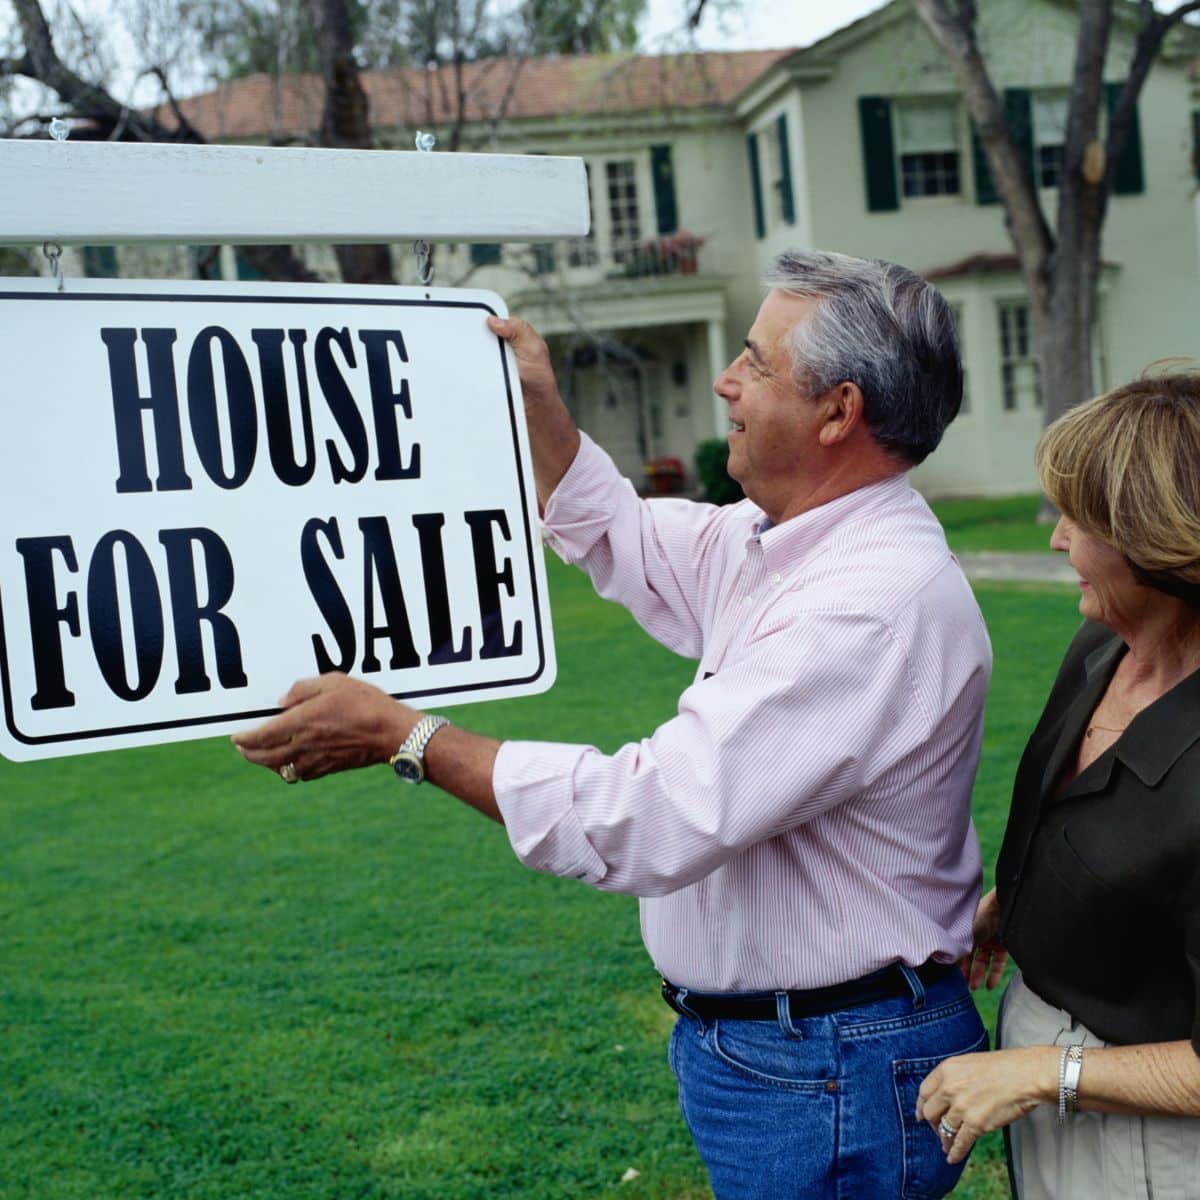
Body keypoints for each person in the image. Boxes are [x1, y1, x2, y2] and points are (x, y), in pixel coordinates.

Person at [234, 250, 992, 1198]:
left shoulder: (863, 606)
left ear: (839, 412)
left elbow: (648, 815)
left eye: (756, 364)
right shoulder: (785, 545)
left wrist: (408, 738)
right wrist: (543, 409)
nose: (727, 382)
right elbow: (628, 537)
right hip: (803, 1051)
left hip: (832, 1061)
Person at [915, 371, 1200, 1198]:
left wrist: (1045, 1072)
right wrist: (1018, 908)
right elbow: (1091, 822)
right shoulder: (1102, 651)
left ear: (1156, 541)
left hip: (1151, 1142)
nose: (1056, 539)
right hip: (1058, 1094)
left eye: (1080, 519)